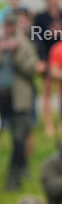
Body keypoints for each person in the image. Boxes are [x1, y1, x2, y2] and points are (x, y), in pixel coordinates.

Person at [0, 10, 40, 191]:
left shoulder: (25, 44)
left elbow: (32, 69)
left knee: (18, 140)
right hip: (2, 98)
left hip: (19, 100)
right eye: (6, 24)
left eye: (12, 25)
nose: (9, 28)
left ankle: (14, 177)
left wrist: (16, 53)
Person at [31, 0, 62, 137]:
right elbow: (37, 38)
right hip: (48, 57)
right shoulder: (41, 17)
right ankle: (48, 124)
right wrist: (41, 59)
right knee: (47, 92)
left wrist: (60, 33)